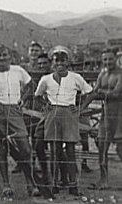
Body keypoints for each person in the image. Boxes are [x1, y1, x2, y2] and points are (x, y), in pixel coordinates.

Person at [0, 44, 45, 198]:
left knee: (25, 147)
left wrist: (22, 99)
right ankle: (6, 185)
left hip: (15, 110)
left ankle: (30, 183)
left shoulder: (18, 70)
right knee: (2, 148)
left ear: (10, 56)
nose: (2, 58)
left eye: (5, 55)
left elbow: (31, 86)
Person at [35, 45, 92, 196]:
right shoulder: (46, 79)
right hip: (53, 114)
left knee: (71, 151)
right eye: (56, 61)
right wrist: (45, 105)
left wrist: (80, 108)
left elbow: (90, 93)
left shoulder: (75, 77)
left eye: (63, 61)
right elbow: (37, 96)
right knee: (55, 151)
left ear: (67, 62)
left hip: (69, 114)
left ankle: (73, 185)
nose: (59, 64)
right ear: (52, 63)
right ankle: (55, 184)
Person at [90, 47, 122, 190]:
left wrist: (101, 92)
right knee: (102, 147)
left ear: (115, 59)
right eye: (105, 59)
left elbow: (115, 94)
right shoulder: (101, 74)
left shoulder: (120, 74)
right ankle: (104, 180)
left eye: (110, 59)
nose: (107, 62)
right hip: (105, 114)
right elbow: (94, 92)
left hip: (119, 115)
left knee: (121, 149)